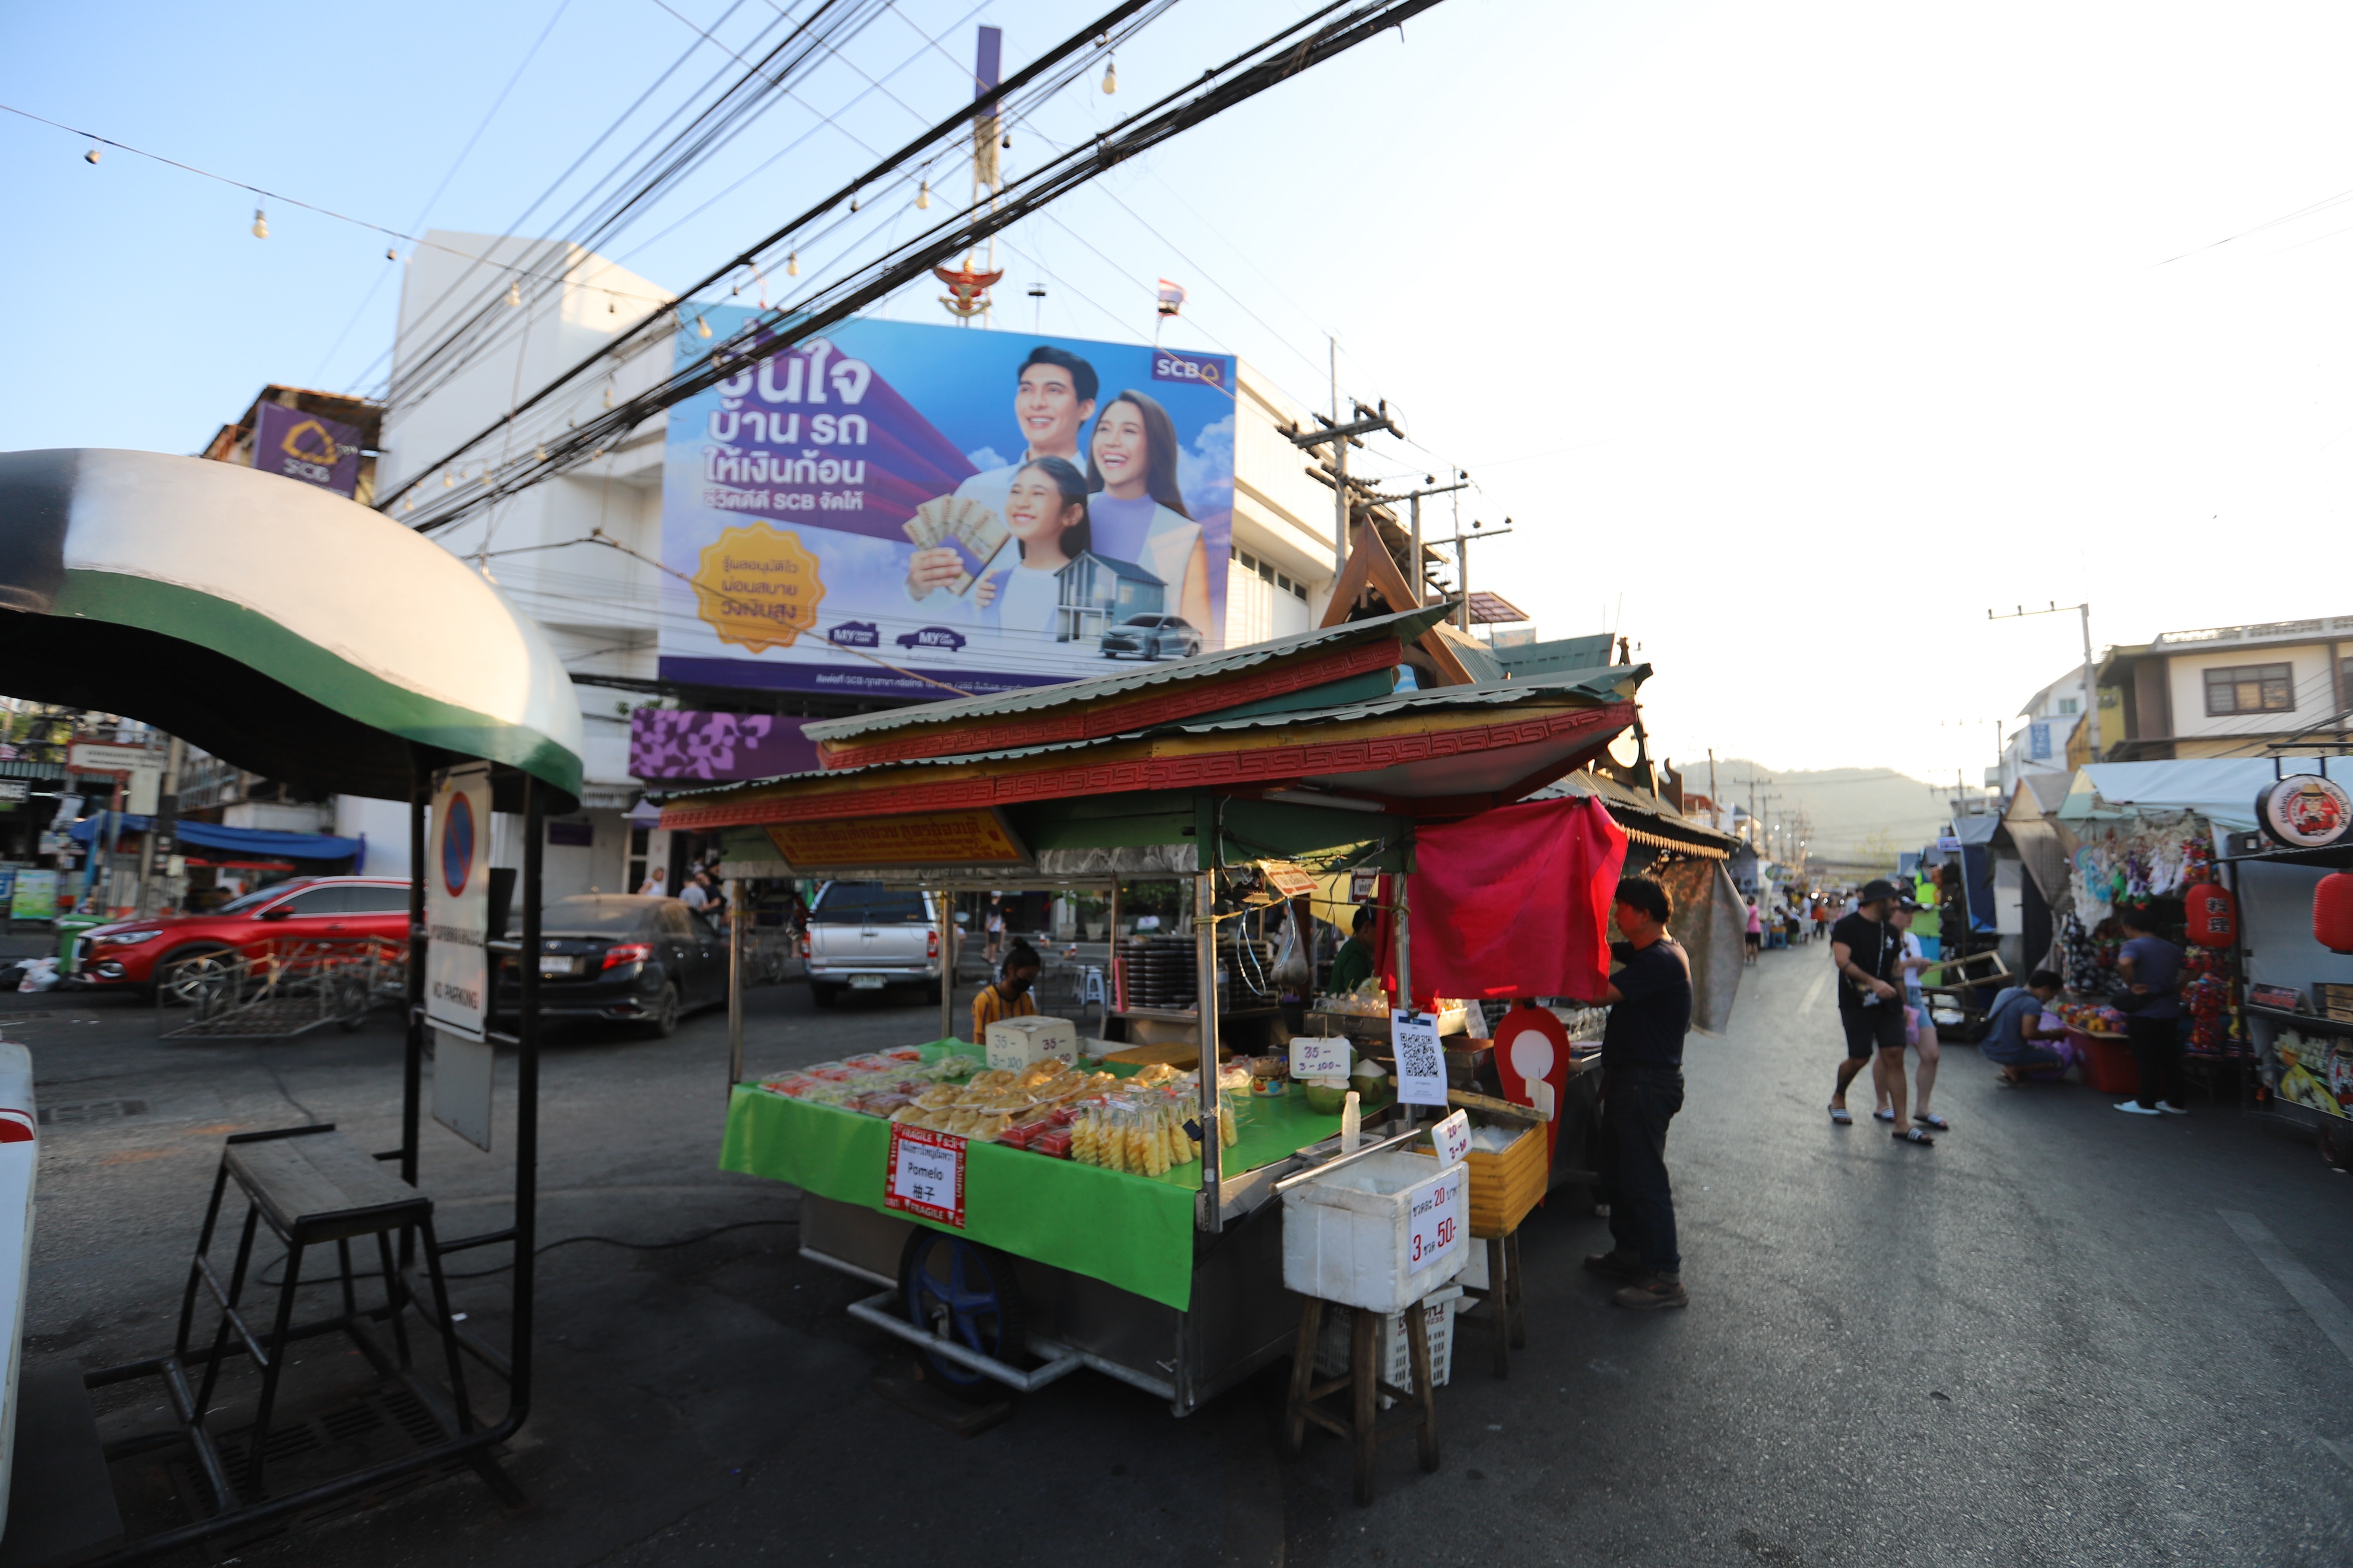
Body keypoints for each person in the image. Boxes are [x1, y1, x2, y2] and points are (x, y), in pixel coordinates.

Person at [908, 346, 1098, 601]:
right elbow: (942, 599)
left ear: (1085, 408)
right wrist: (919, 586)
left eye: (1053, 391)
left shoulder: (1102, 496)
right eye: (1026, 390)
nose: (1036, 403)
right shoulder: (978, 490)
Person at [1582, 876, 1694, 1310]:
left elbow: (1599, 995)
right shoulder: (1652, 950)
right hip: (1632, 1078)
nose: (1615, 914)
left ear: (1643, 915)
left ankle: (1665, 1276)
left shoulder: (1662, 959)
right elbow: (1612, 948)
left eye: (1622, 907)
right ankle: (1629, 1252)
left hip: (1647, 1083)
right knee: (1618, 1171)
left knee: (1645, 1178)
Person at [1084, 389, 1212, 638]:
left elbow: (1199, 635)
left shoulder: (1182, 533)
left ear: (1155, 445)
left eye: (1129, 431)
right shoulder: (1066, 514)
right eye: (1104, 429)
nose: (1112, 441)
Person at [1828, 879, 1932, 1146]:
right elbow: (1842, 960)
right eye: (1893, 900)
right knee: (1860, 1056)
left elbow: (1896, 969)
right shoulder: (1847, 926)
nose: (1897, 905)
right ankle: (1839, 1096)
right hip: (1856, 1002)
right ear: (1879, 901)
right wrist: (1873, 983)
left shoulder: (1891, 931)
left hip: (1889, 1003)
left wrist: (1904, 1005)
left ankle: (1902, 1123)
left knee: (1894, 1055)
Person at [2116, 906, 2188, 1115]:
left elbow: (2125, 963)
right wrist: (2181, 985)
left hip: (2144, 1010)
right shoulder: (2172, 948)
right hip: (2169, 1009)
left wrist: (2131, 985)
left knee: (2145, 1057)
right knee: (2169, 1057)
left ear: (2129, 927)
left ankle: (2146, 1102)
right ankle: (2175, 1102)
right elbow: (2195, 966)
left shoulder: (2133, 945)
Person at [1890, 898, 1946, 1131]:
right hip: (1894, 994)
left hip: (1914, 994)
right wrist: (1908, 964)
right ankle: (1882, 1103)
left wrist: (1921, 965)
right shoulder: (1886, 938)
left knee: (1931, 1054)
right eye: (1905, 912)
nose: (1910, 916)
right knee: (1891, 1054)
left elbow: (1917, 974)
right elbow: (1886, 970)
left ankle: (1923, 1108)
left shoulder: (1912, 939)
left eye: (1912, 912)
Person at [1982, 970, 2073, 1083]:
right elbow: (2029, 1033)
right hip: (2007, 1052)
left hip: (1988, 1046)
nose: (2051, 998)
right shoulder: (2032, 1004)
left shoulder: (2005, 992)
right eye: (2053, 994)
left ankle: (2014, 1068)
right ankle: (2014, 1068)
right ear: (2045, 989)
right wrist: (2054, 1034)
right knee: (2058, 1061)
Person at [971, 939, 1042, 1040]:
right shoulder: (986, 1000)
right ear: (1011, 969)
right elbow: (981, 1041)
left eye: (1033, 978)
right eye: (1027, 976)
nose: (1029, 981)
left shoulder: (1026, 1000)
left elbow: (1035, 1034)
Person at [1328, 905, 1379, 995]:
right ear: (1367, 928)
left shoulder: (1359, 948)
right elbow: (1357, 993)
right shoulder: (1354, 952)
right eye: (1382, 930)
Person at [983, 893, 1006, 966]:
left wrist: (987, 925)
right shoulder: (996, 907)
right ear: (999, 897)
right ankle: (992, 959)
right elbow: (994, 918)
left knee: (993, 943)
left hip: (992, 927)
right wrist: (990, 926)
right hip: (994, 928)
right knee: (994, 943)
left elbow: (988, 917)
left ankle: (987, 955)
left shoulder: (990, 906)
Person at [1743, 900, 1763, 965]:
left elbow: (1747, 916)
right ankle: (1755, 960)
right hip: (1757, 928)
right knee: (1754, 945)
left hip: (1751, 929)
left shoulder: (1751, 909)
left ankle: (1748, 959)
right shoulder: (1756, 908)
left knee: (1747, 945)